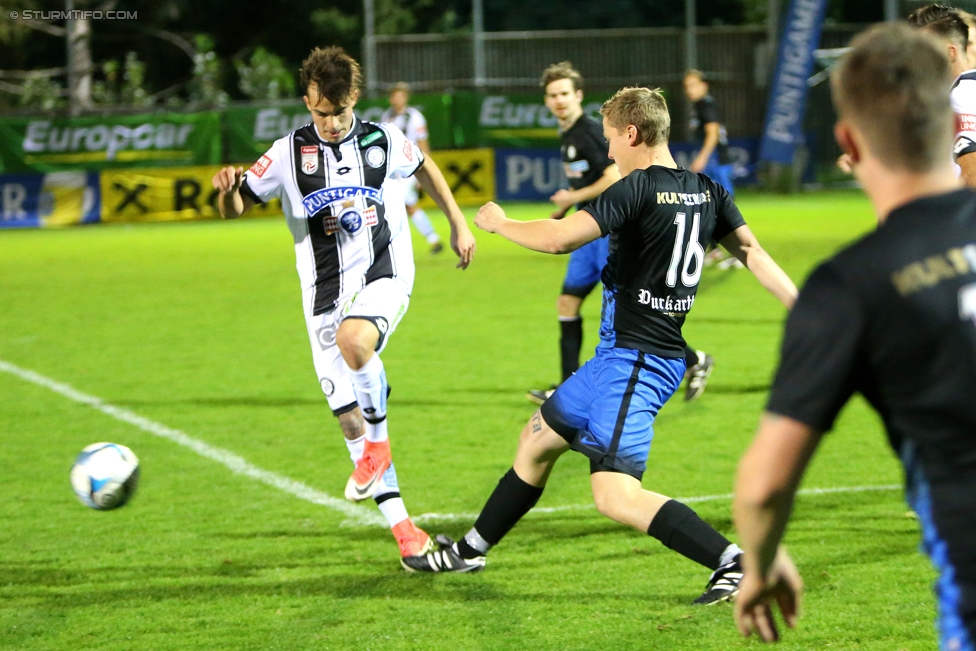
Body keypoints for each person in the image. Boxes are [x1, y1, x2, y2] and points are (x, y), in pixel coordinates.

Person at [404, 87, 798, 608]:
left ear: (632, 134)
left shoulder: (636, 189)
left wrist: (500, 224)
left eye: (611, 139)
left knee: (614, 496)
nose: (609, 151)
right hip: (615, 360)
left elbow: (561, 238)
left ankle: (736, 563)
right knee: (538, 437)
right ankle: (472, 550)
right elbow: (751, 251)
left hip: (638, 363)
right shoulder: (707, 190)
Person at [733, 24, 976, 650]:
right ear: (954, 128)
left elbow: (764, 487)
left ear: (847, 141)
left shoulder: (848, 288)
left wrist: (759, 565)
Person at [211, 46, 476, 567]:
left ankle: (380, 444)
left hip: (385, 274)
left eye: (336, 111)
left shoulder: (384, 139)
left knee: (356, 342)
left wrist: (458, 222)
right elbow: (237, 206)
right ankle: (407, 537)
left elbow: (426, 169)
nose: (328, 122)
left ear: (353, 98)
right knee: (350, 425)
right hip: (322, 298)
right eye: (318, 112)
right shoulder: (288, 152)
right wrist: (225, 192)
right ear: (307, 103)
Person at [528, 62, 716, 406]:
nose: (559, 101)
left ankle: (691, 359)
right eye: (552, 95)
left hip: (605, 227)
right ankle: (566, 386)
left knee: (629, 307)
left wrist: (572, 198)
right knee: (568, 302)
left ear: (578, 95)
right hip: (585, 222)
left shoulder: (587, 130)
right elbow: (587, 181)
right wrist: (567, 204)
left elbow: (613, 176)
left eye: (565, 94)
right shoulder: (569, 132)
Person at [380, 82, 444, 254]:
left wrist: (425, 171)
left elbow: (423, 144)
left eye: (399, 95)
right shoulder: (387, 116)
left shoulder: (415, 117)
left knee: (396, 203)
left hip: (409, 168)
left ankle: (390, 245)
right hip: (392, 170)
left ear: (405, 98)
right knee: (409, 205)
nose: (396, 99)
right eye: (393, 95)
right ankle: (434, 239)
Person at [683, 70, 735, 196]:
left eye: (693, 85)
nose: (690, 90)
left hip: (715, 157)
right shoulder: (699, 105)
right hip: (712, 156)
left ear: (704, 86)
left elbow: (713, 133)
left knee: (719, 196)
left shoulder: (706, 105)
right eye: (687, 86)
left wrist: (702, 158)